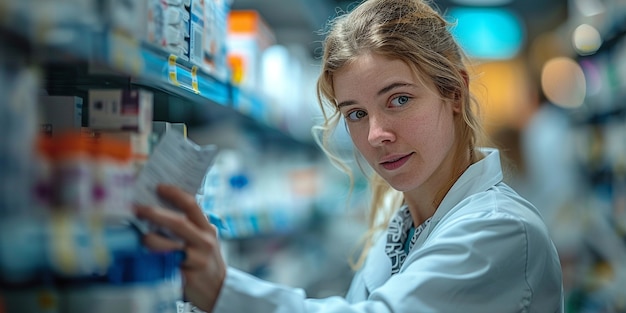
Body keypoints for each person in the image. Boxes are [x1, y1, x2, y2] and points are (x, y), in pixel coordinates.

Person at [134, 0, 564, 312]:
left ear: (454, 93)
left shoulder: (499, 231)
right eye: (356, 113)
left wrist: (224, 289)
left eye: (398, 100)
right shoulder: (407, 223)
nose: (376, 134)